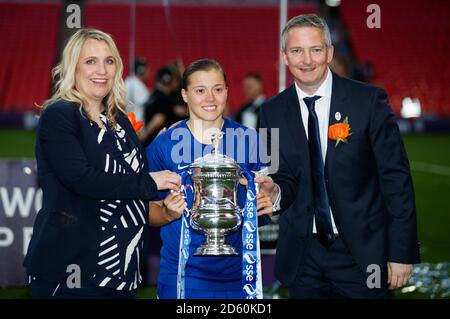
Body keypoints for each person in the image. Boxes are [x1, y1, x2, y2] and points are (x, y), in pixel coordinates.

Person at [258, 14, 420, 298]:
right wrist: (275, 191)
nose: (306, 60)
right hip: (302, 259)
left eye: (316, 49)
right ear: (285, 57)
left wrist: (401, 252)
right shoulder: (270, 112)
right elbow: (277, 174)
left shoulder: (369, 102)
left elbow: (396, 180)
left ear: (330, 52)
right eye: (297, 50)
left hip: (363, 256)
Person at [23, 28, 181, 299]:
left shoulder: (118, 119)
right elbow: (83, 179)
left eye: (109, 61)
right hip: (73, 274)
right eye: (90, 61)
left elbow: (131, 177)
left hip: (123, 275)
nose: (102, 70)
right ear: (73, 67)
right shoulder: (59, 115)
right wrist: (151, 180)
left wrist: (163, 144)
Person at [145, 59, 274, 299]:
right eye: (200, 90)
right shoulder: (164, 144)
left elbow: (267, 195)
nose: (210, 98)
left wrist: (268, 201)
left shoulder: (249, 140)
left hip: (238, 275)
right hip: (182, 276)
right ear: (184, 94)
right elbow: (145, 209)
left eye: (217, 89)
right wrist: (167, 213)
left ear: (226, 90)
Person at [141, 66, 186, 146]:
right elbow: (159, 118)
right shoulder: (163, 98)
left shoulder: (155, 95)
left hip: (155, 140)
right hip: (158, 141)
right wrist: (145, 134)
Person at [124, 57, 150, 123]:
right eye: (146, 68)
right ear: (141, 70)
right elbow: (146, 101)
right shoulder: (136, 84)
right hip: (134, 123)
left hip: (132, 121)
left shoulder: (130, 80)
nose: (149, 71)